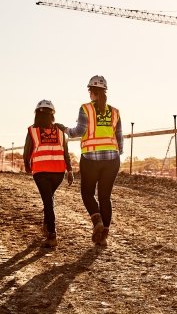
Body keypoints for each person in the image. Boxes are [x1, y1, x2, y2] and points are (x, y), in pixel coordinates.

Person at [57, 75, 123, 246]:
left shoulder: (86, 108)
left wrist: (65, 129)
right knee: (105, 197)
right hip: (112, 159)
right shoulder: (115, 111)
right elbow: (119, 136)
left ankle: (97, 223)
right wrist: (117, 153)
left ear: (90, 92)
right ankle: (103, 237)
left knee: (87, 193)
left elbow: (79, 131)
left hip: (91, 158)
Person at [23, 100, 74, 248]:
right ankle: (47, 225)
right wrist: (69, 170)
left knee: (48, 201)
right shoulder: (59, 131)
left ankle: (52, 234)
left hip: (41, 172)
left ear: (37, 114)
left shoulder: (33, 130)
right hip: (59, 172)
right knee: (48, 198)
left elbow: (27, 150)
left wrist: (27, 165)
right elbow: (65, 152)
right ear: (52, 115)